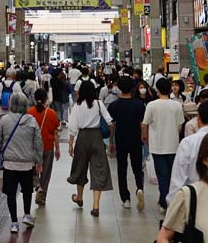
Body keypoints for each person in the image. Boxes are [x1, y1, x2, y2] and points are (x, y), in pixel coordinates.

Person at [0, 91, 43, 233]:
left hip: (9, 164)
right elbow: (38, 143)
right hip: (27, 164)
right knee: (27, 190)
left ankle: (14, 222)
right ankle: (27, 214)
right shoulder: (32, 120)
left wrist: (0, 155)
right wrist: (38, 160)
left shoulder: (4, 120)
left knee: (11, 193)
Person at [66, 78, 112, 216]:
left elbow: (72, 126)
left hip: (83, 138)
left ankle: (79, 197)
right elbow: (109, 122)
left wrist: (70, 143)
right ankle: (96, 206)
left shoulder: (78, 106)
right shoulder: (99, 104)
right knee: (98, 169)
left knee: (80, 167)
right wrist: (110, 141)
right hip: (97, 137)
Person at [169, 99, 208, 204]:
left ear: (198, 119)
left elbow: (178, 180)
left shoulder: (188, 143)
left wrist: (173, 205)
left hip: (195, 202)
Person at [142, 77, 185, 210]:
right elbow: (180, 125)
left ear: (157, 90)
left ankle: (164, 201)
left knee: (162, 175)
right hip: (173, 145)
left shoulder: (152, 105)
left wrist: (145, 138)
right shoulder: (177, 105)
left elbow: (145, 124)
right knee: (172, 175)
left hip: (157, 146)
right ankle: (169, 200)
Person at [107, 75, 146, 211]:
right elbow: (142, 125)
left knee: (122, 169)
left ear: (118, 87)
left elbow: (112, 125)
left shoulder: (114, 106)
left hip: (121, 139)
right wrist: (144, 137)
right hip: (135, 139)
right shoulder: (139, 105)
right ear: (132, 88)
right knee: (137, 167)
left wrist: (111, 142)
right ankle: (139, 188)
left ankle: (126, 199)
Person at [28, 87, 60, 205]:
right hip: (47, 146)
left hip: (33, 147)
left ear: (35, 99)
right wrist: (57, 148)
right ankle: (42, 193)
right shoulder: (51, 113)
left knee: (33, 169)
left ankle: (37, 185)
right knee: (46, 171)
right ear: (46, 99)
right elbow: (55, 132)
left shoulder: (29, 112)